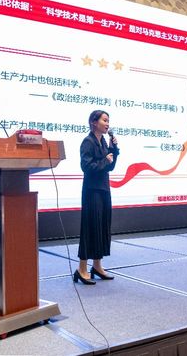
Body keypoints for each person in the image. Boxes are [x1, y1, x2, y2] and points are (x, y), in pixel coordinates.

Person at [74, 110, 119, 285]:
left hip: (104, 189)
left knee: (101, 226)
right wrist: (104, 161)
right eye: (104, 120)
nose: (108, 124)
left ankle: (97, 266)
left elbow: (110, 167)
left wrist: (114, 150)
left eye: (108, 121)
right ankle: (81, 269)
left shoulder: (103, 142)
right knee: (90, 227)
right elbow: (86, 167)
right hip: (92, 191)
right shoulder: (88, 141)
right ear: (94, 122)